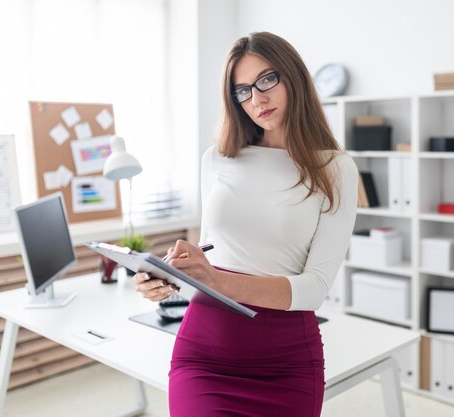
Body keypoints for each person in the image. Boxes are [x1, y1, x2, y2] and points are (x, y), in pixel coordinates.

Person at [133, 31, 358, 417]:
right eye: (242, 91)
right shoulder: (217, 158)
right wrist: (173, 274)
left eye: (267, 79)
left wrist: (213, 279)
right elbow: (212, 248)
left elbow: (313, 290)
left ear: (294, 77)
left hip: (287, 363)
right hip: (204, 353)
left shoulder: (335, 169)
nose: (257, 99)